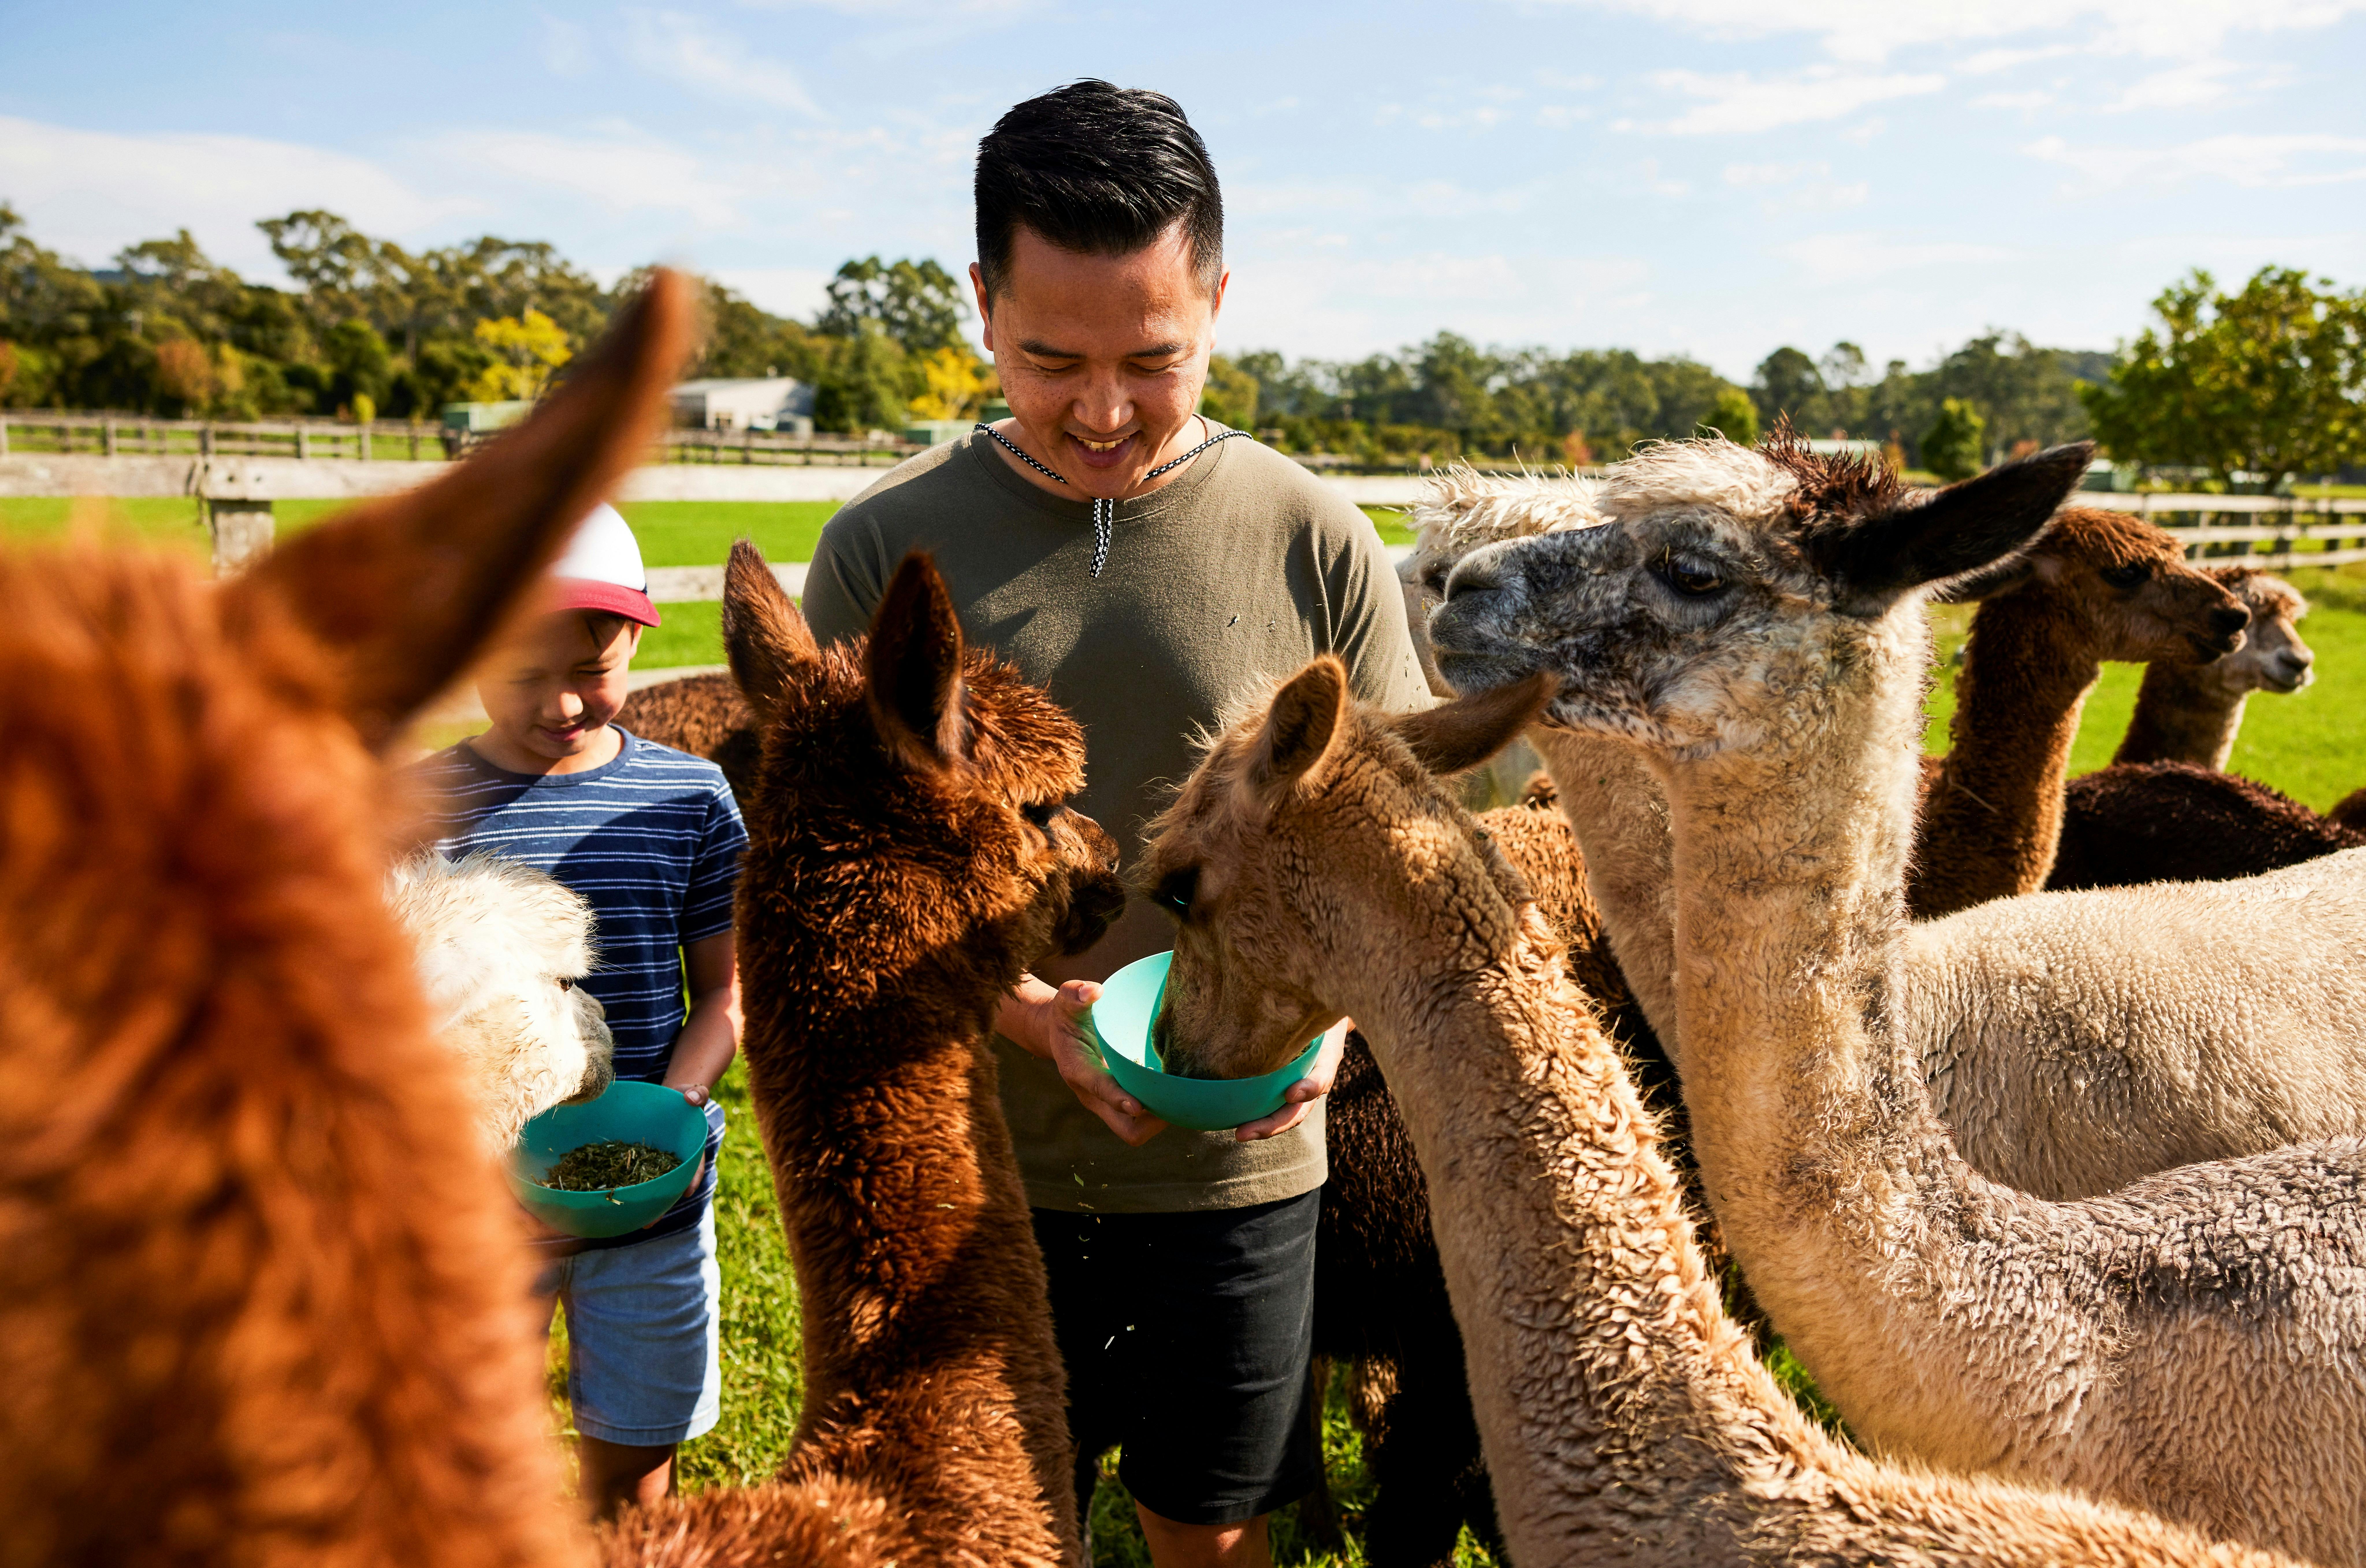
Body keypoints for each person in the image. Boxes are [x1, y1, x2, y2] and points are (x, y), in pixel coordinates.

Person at [800, 81, 1430, 1568]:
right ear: (980, 305)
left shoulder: (1314, 538)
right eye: (1049, 361)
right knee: (982, 1532)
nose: (1101, 410)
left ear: (1218, 299)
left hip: (1238, 1170)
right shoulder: (883, 551)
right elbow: (831, 882)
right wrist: (1026, 1015)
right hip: (964, 1169)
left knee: (1213, 1532)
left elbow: (1397, 850)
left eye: (1153, 360)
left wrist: (1330, 1022)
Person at [410, 504, 747, 1520]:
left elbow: (726, 989)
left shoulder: (689, 800)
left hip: (649, 1204)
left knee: (635, 1476)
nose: (561, 702)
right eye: (521, 673)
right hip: (474, 1210)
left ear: (635, 639)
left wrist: (676, 1111)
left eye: (592, 669)